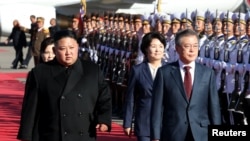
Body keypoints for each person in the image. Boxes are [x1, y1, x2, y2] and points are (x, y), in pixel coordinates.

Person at [17, 30, 112, 141]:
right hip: (52, 134)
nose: (68, 53)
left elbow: (104, 98)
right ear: (54, 50)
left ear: (78, 47)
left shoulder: (92, 70)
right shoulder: (40, 73)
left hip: (84, 133)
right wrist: (26, 135)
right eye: (62, 49)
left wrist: (104, 119)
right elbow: (30, 108)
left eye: (72, 48)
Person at [150, 29, 221, 141]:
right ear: (177, 48)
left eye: (195, 46)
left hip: (201, 133)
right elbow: (157, 107)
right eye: (187, 46)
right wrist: (155, 136)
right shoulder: (165, 73)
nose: (192, 50)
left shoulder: (207, 73)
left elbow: (214, 107)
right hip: (173, 132)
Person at [123, 31, 166, 141]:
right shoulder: (137, 71)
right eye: (153, 46)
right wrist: (127, 122)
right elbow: (130, 98)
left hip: (165, 122)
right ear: (146, 49)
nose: (157, 50)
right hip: (144, 122)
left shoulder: (170, 70)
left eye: (161, 46)